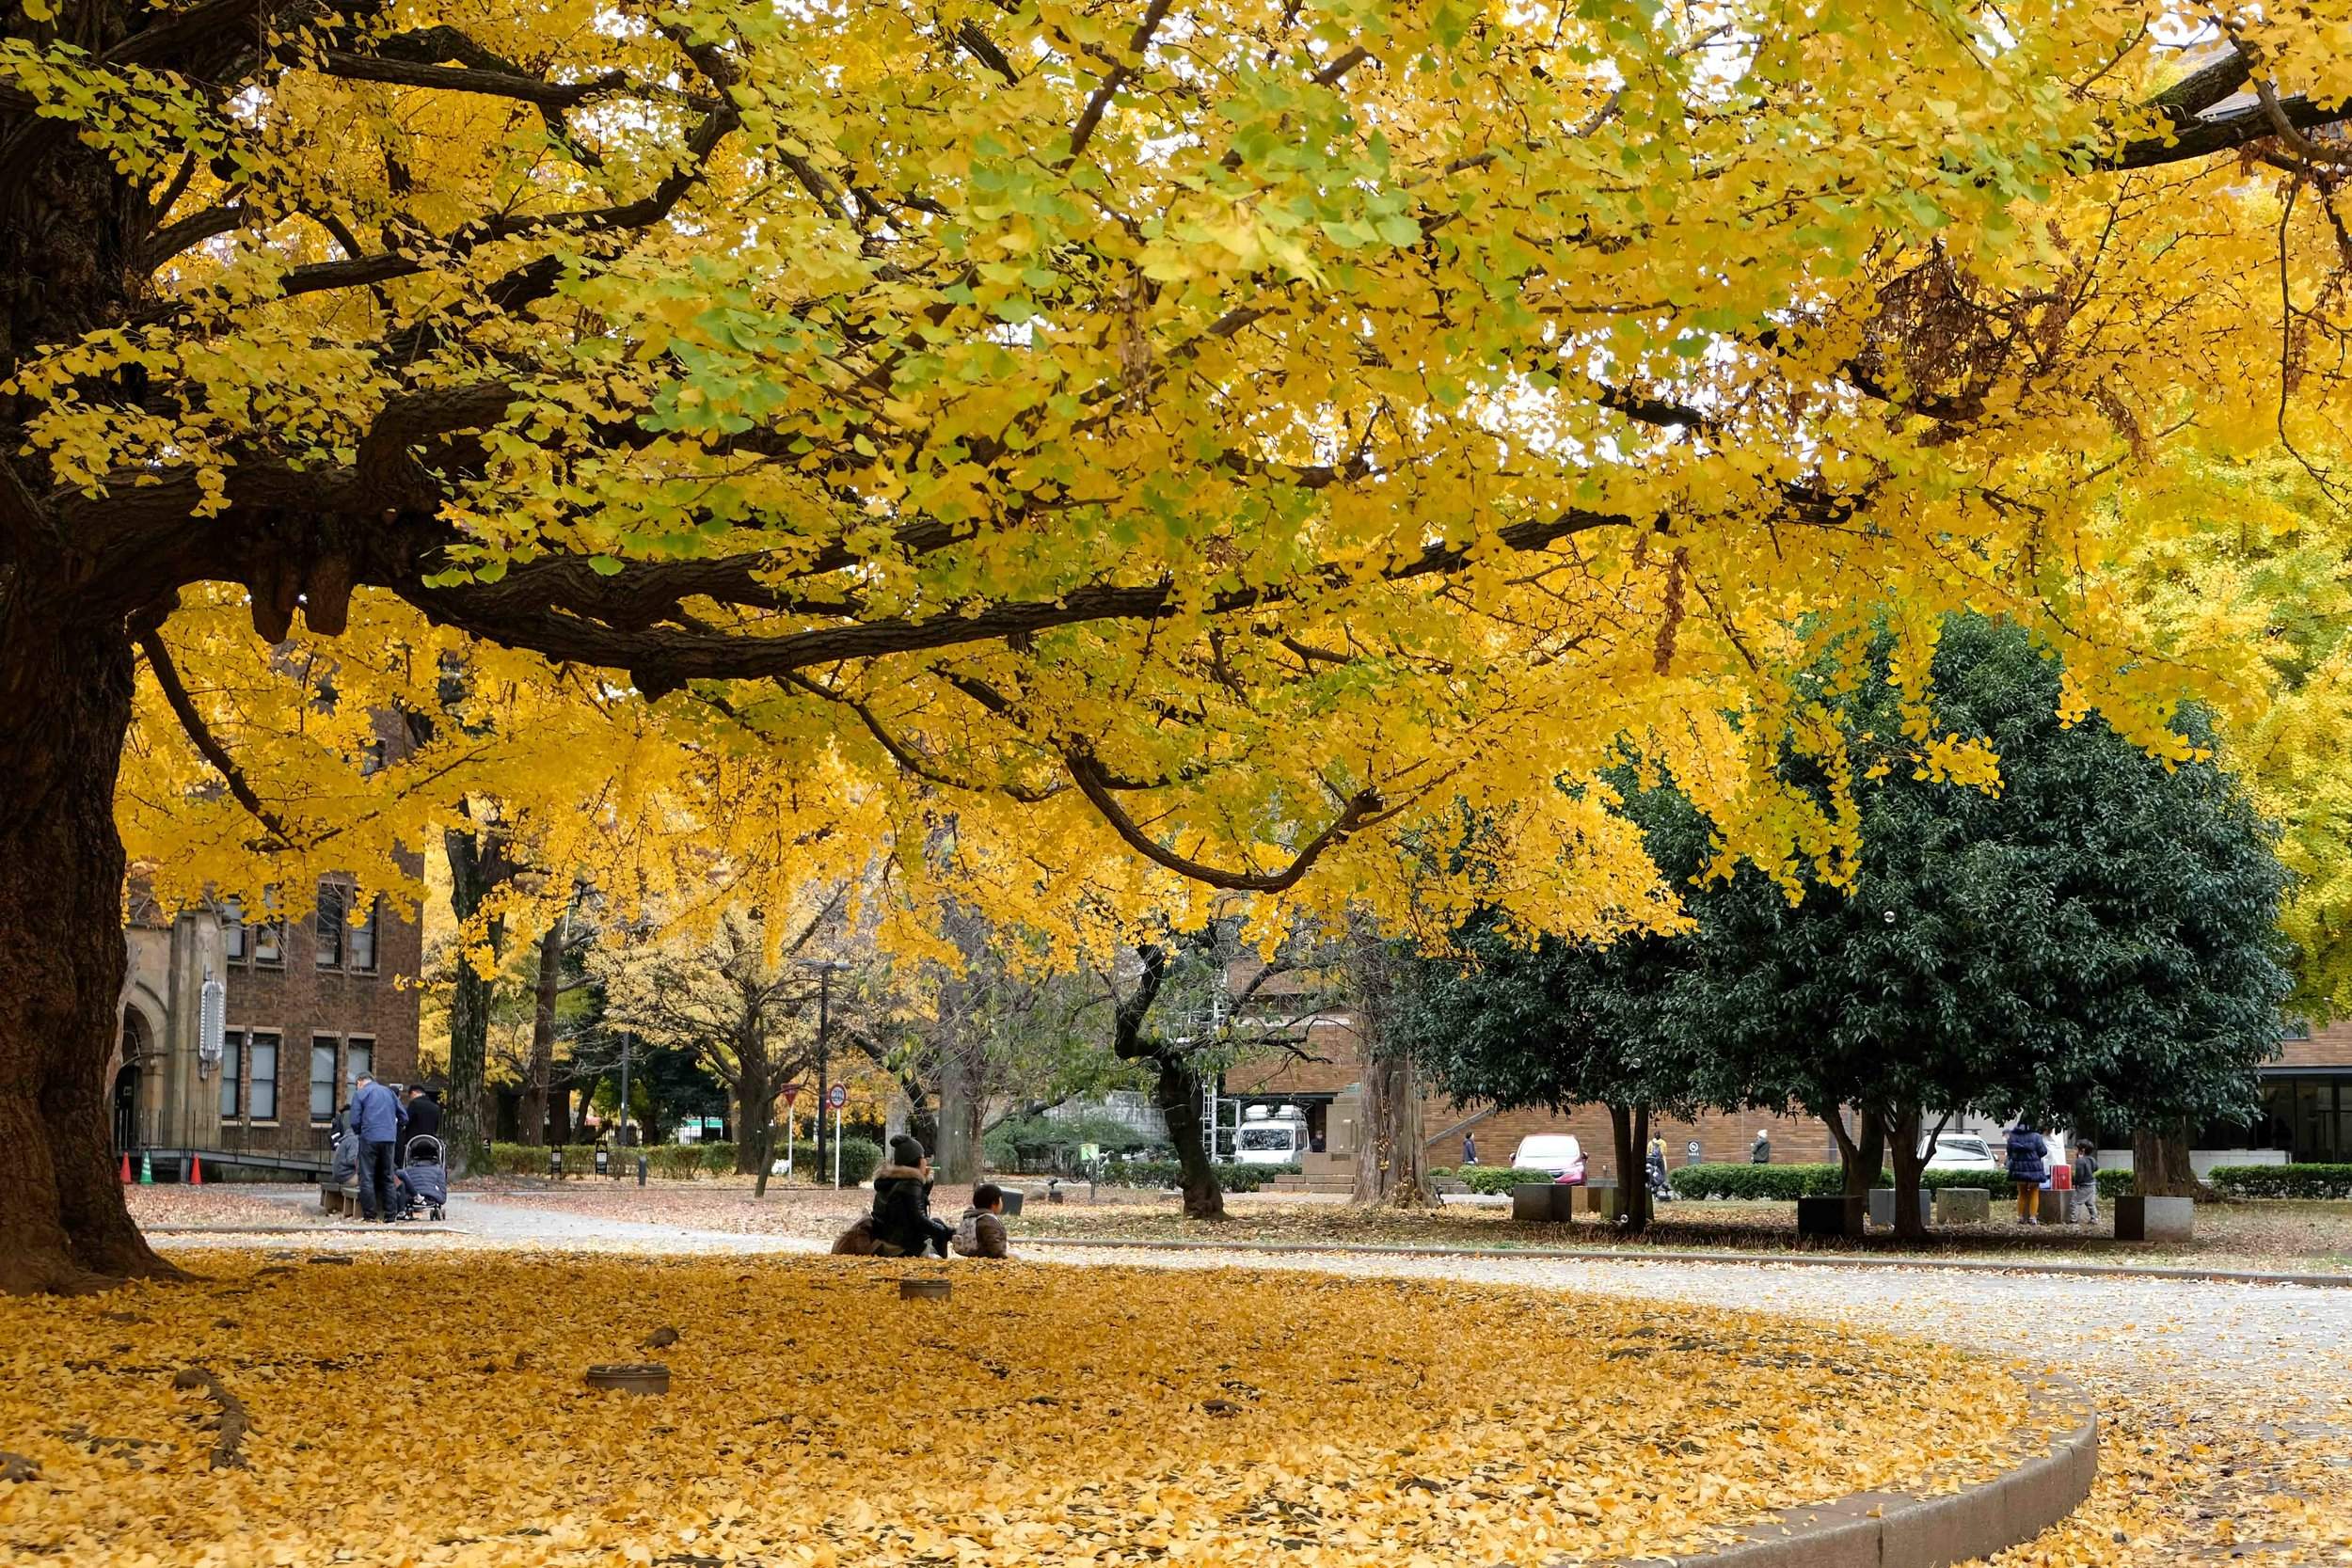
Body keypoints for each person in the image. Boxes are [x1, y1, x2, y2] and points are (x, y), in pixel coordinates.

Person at [870, 1134, 953, 1258]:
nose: (926, 1160)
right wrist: (948, 1233)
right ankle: (938, 1268)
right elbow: (919, 1220)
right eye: (923, 1157)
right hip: (902, 1245)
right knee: (939, 1230)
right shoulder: (911, 1183)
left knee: (937, 1222)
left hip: (886, 1238)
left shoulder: (892, 1179)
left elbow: (912, 1209)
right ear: (919, 1161)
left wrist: (924, 1181)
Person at [347, 1071, 406, 1223]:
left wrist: (361, 1131)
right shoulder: (388, 1092)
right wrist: (393, 1129)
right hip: (389, 1139)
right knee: (387, 1176)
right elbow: (404, 1117)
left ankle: (370, 1215)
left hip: (369, 1138)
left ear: (360, 1082)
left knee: (367, 1176)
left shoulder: (360, 1095)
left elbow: (354, 1120)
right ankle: (391, 1215)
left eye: (357, 1085)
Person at [2005, 1118, 2049, 1225]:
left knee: (2022, 1192)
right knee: (2034, 1191)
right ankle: (2033, 1217)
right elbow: (2043, 1152)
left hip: (2018, 1168)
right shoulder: (2036, 1136)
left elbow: (2009, 1152)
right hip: (2034, 1168)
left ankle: (2020, 1217)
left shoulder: (2013, 1136)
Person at [953, 1182, 1011, 1259]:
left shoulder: (971, 1216)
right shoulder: (989, 1221)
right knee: (1017, 1256)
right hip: (987, 1260)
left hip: (973, 1257)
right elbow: (995, 1246)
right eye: (1001, 1200)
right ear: (994, 1203)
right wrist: (1004, 1258)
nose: (1002, 1203)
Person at [403, 1085, 442, 1150]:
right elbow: (436, 1126)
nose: (410, 1099)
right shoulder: (435, 1107)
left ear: (413, 1093)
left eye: (410, 1096)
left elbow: (407, 1121)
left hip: (414, 1141)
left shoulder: (414, 1103)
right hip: (431, 1141)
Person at [2072, 1142, 2100, 1225]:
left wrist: (2076, 1182)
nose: (2075, 1151)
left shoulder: (2080, 1161)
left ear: (2082, 1150)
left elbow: (2079, 1174)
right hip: (2092, 1184)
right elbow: (2096, 1168)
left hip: (2084, 1185)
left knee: (2075, 1202)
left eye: (2077, 1149)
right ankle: (2094, 1219)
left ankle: (2074, 1220)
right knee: (2090, 1203)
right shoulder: (2092, 1159)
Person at [1645, 1136, 1670, 1200]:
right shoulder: (1654, 1144)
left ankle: (1656, 1188)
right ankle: (1657, 1187)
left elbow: (1663, 1155)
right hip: (1655, 1164)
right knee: (1658, 1176)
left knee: (1658, 1176)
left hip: (1656, 1164)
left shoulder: (1661, 1143)